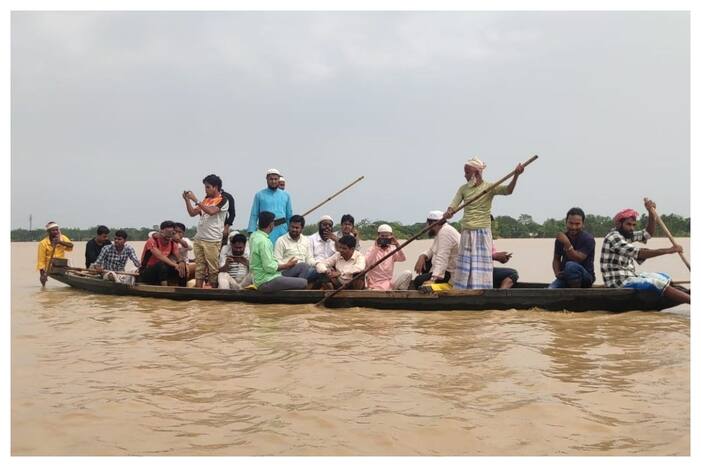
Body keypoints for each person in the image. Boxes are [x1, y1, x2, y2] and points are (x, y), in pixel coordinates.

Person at [445, 157, 524, 289]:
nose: (464, 175)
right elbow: (453, 205)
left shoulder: (490, 187)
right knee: (465, 267)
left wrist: (516, 175)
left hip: (482, 233)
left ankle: (481, 291)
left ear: (476, 173)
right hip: (467, 232)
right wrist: (449, 212)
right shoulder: (463, 189)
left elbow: (508, 190)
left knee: (480, 266)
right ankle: (462, 291)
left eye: (467, 172)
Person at [600, 199, 690, 304]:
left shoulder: (627, 235)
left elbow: (648, 234)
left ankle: (686, 294)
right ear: (619, 224)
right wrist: (668, 250)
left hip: (629, 276)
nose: (631, 228)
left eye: (634, 225)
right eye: (628, 224)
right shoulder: (614, 237)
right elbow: (639, 253)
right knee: (656, 283)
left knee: (664, 277)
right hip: (618, 282)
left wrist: (651, 213)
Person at [183, 174, 229, 288]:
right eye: (205, 187)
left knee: (213, 269)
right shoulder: (206, 200)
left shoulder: (223, 200)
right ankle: (198, 291)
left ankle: (212, 292)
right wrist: (187, 200)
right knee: (199, 267)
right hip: (199, 238)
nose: (206, 189)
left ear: (216, 187)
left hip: (212, 239)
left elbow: (211, 211)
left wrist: (196, 200)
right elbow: (192, 213)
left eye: (208, 187)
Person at [249, 211, 307, 292]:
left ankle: (293, 288)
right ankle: (294, 293)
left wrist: (287, 266)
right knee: (304, 282)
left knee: (303, 266)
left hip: (271, 276)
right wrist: (287, 265)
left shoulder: (254, 235)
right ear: (271, 225)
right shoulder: (264, 241)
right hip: (265, 281)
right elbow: (269, 267)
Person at [548, 207, 596, 289]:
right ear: (566, 222)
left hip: (585, 278)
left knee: (571, 266)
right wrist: (557, 273)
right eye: (570, 223)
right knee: (550, 290)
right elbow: (556, 259)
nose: (573, 227)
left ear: (583, 224)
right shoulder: (560, 239)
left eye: (577, 224)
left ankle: (574, 295)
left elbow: (578, 259)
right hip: (566, 277)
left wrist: (567, 243)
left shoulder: (588, 239)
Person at [413, 210, 460, 289]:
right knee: (427, 261)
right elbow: (432, 249)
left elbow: (442, 257)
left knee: (418, 281)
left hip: (449, 273)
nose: (427, 227)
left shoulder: (445, 232)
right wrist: (423, 256)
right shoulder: (441, 230)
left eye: (428, 224)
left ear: (433, 224)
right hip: (444, 271)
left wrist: (433, 279)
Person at [247, 168, 293, 245]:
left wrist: (290, 229)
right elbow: (254, 215)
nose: (273, 181)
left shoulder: (286, 195)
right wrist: (251, 231)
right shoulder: (259, 195)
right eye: (271, 179)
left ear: (279, 179)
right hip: (265, 230)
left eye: (275, 179)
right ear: (267, 179)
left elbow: (289, 215)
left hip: (282, 229)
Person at [138, 220, 188, 286]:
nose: (169, 236)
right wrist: (175, 265)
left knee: (181, 266)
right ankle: (165, 289)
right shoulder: (152, 241)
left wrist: (181, 262)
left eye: (171, 233)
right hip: (147, 272)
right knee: (161, 264)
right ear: (161, 231)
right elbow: (160, 256)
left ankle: (183, 289)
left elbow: (178, 256)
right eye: (167, 232)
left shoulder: (172, 243)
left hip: (162, 271)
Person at [364, 224, 412, 290]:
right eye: (382, 236)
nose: (384, 239)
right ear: (378, 236)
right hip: (375, 285)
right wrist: (376, 247)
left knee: (408, 273)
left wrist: (397, 245)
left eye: (387, 236)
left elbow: (403, 258)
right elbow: (367, 263)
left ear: (391, 236)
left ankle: (399, 293)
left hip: (389, 283)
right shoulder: (371, 249)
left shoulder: (392, 250)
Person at [274, 214, 317, 279]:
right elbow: (277, 261)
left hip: (304, 271)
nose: (294, 229)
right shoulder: (281, 240)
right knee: (303, 266)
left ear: (302, 229)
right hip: (287, 271)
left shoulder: (306, 240)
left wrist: (318, 264)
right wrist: (287, 265)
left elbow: (309, 259)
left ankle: (300, 283)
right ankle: (300, 284)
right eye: (292, 227)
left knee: (321, 271)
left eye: (297, 228)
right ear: (289, 226)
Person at [36, 221, 74, 286]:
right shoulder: (43, 243)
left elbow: (71, 246)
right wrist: (42, 275)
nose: (56, 232)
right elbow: (41, 261)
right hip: (50, 267)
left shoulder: (62, 238)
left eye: (57, 230)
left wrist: (60, 242)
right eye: (53, 230)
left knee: (73, 272)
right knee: (43, 280)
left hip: (62, 265)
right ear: (48, 232)